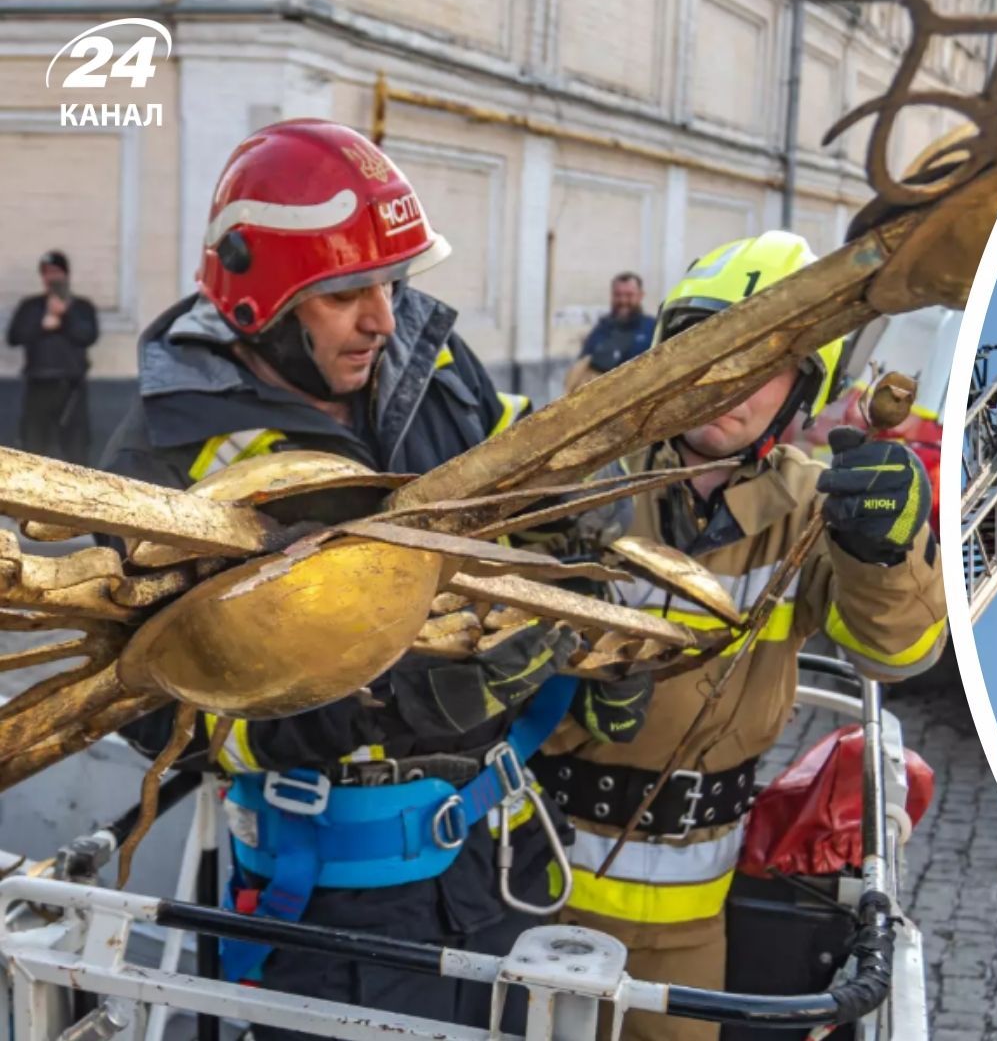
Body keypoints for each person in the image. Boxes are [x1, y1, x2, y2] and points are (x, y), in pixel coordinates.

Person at [102, 120, 640, 1038]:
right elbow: (151, 708)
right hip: (326, 908)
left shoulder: (434, 371)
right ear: (261, 305)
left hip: (496, 867)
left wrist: (580, 537)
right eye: (347, 293)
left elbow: (515, 488)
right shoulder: (168, 455)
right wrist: (381, 703)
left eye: (391, 283)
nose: (384, 319)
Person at [532, 230, 948, 1041]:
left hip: (694, 919)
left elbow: (896, 653)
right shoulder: (573, 482)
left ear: (801, 391)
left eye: (766, 366)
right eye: (712, 352)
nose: (731, 385)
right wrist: (574, 685)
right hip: (534, 884)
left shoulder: (811, 509)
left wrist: (886, 552)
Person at [8, 250, 99, 464]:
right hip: (38, 385)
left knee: (76, 450)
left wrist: (64, 315)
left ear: (66, 274)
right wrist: (43, 322)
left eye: (56, 272)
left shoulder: (82, 307)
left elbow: (88, 335)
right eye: (47, 272)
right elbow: (15, 336)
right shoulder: (31, 306)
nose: (52, 277)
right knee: (33, 449)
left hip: (71, 388)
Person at [564, 272, 658, 392]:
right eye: (618, 295)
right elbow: (581, 370)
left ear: (640, 296)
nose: (623, 300)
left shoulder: (652, 328)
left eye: (629, 295)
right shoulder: (601, 329)